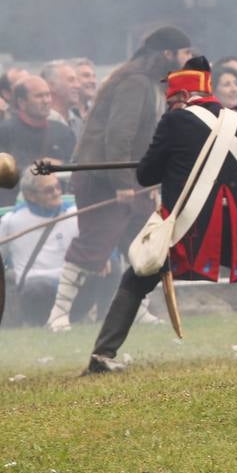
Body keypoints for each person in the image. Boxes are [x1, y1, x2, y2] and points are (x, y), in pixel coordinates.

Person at [84, 57, 237, 373]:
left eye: (171, 100)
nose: (169, 107)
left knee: (137, 277)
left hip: (189, 228)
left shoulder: (173, 123)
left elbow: (145, 175)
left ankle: (102, 354)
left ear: (182, 97)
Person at [47, 25, 193, 332]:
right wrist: (124, 184)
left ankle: (137, 309)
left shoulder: (150, 83)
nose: (188, 59)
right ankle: (57, 315)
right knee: (93, 246)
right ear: (168, 54)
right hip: (104, 178)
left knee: (141, 245)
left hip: (128, 179)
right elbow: (119, 137)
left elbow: (144, 141)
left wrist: (144, 183)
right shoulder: (135, 83)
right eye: (184, 53)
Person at [0, 171, 78, 326]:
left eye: (58, 187)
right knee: (38, 287)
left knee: (110, 268)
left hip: (70, 281)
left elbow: (93, 242)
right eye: (49, 190)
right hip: (35, 285)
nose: (56, 193)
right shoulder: (11, 221)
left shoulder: (74, 213)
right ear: (30, 195)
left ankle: (95, 320)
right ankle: (38, 323)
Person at [0, 76, 77, 208]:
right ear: (22, 102)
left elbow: (77, 166)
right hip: (18, 207)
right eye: (39, 96)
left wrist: (60, 165)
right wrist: (34, 169)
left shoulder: (63, 132)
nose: (46, 101)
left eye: (48, 95)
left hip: (59, 206)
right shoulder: (5, 132)